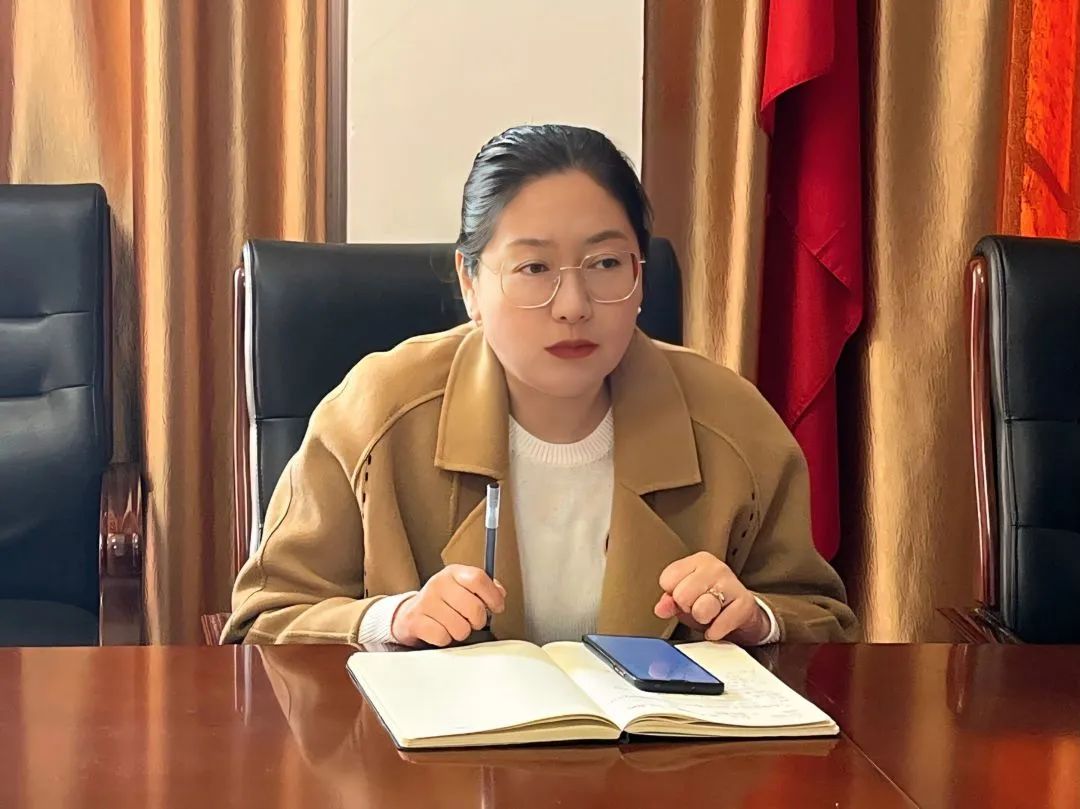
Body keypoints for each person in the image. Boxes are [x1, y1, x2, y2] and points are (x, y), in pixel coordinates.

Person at [221, 124, 858, 647]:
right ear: (470, 283)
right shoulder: (376, 411)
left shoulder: (732, 422)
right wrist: (390, 621)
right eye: (533, 268)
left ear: (640, 274)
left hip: (665, 759)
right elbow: (263, 623)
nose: (573, 305)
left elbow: (822, 620)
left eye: (606, 263)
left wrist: (756, 620)